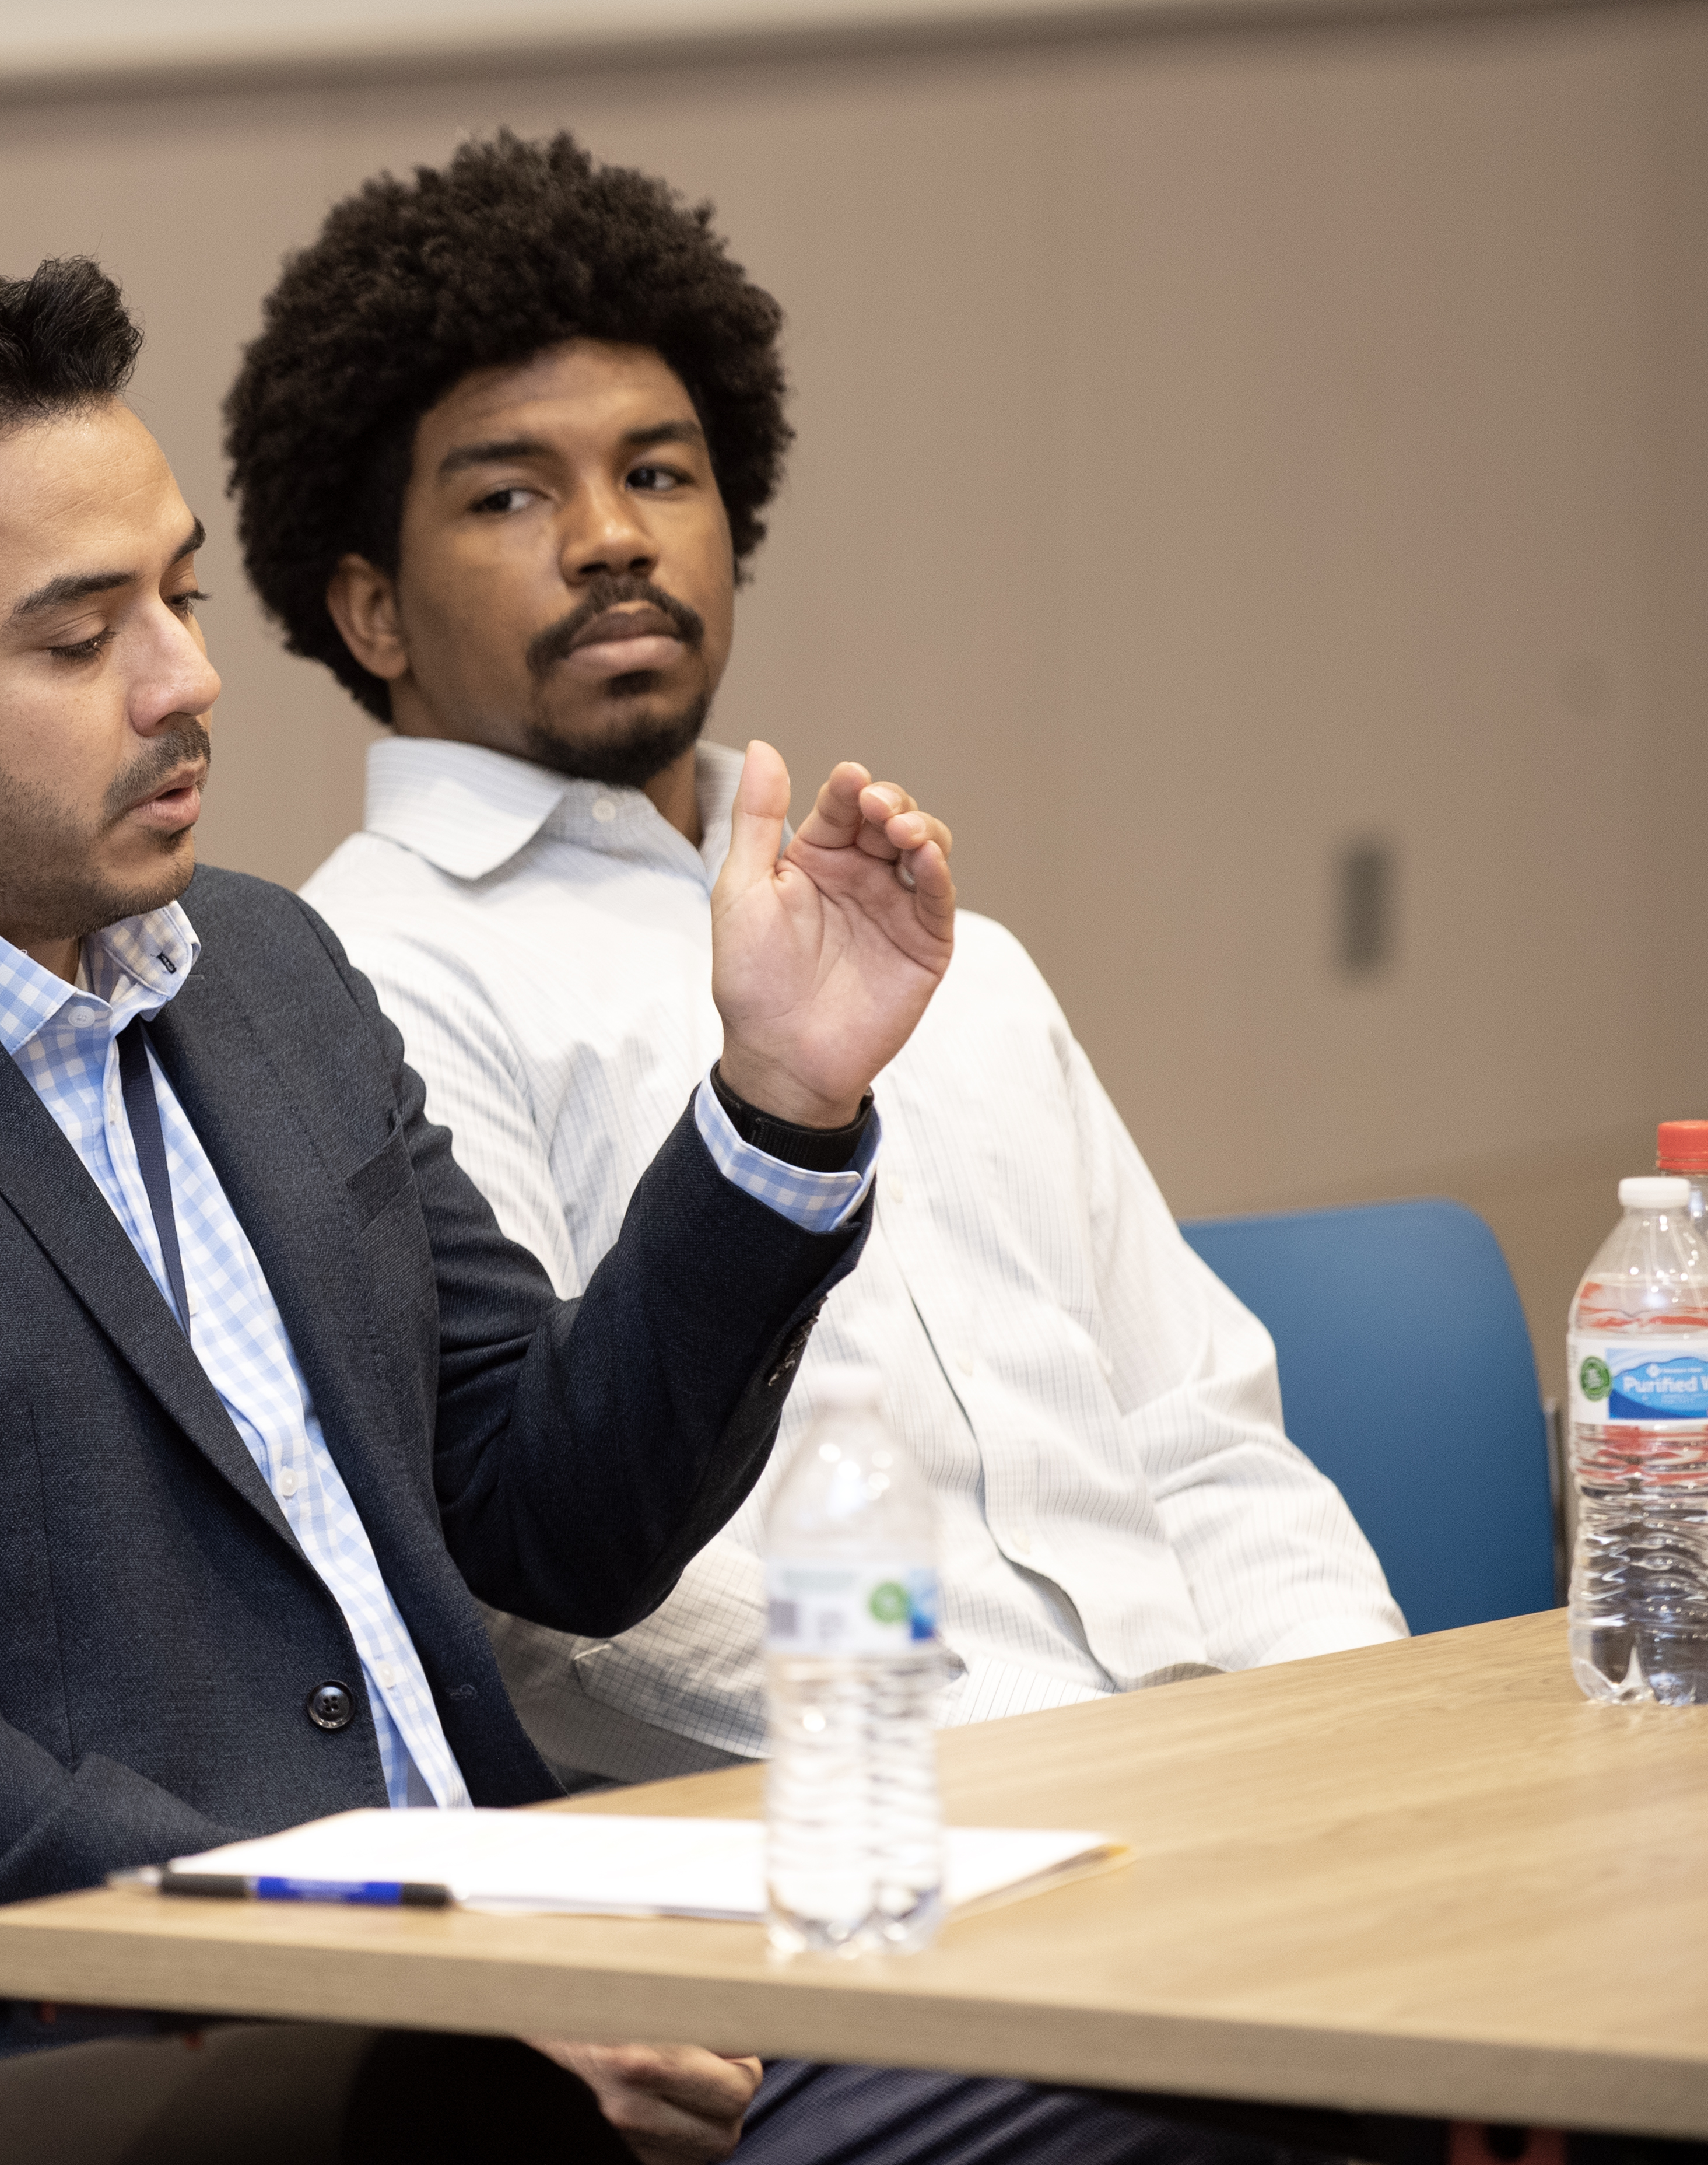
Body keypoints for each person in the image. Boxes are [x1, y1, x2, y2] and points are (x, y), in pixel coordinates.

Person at [0, 257, 960, 2159]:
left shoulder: (262, 965)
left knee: (1173, 2055)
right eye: (78, 636)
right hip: (204, 2065)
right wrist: (429, 1956)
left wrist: (778, 1100)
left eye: (178, 595)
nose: (187, 681)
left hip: (538, 1972)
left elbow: (554, 1517)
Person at [219, 134, 1396, 2163]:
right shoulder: (354, 985)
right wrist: (1016, 1807)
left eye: (660, 473)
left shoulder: (943, 940)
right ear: (365, 605)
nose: (611, 537)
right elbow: (544, 1597)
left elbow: (1200, 1432)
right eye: (512, 490)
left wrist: (1359, 1773)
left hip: (1217, 1832)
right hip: (847, 1897)